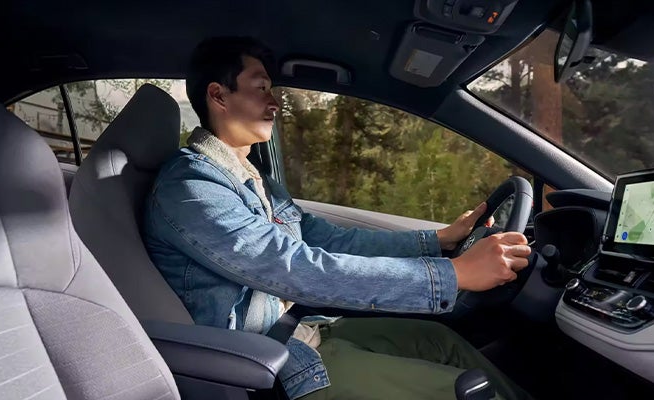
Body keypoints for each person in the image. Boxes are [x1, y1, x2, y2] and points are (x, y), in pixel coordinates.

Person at [143, 36, 533, 400]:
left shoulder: (250, 178)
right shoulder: (191, 187)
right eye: (261, 88)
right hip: (274, 363)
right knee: (466, 392)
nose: (274, 102)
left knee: (442, 342)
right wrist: (454, 275)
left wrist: (438, 240)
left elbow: (327, 239)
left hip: (306, 327)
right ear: (218, 95)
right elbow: (293, 268)